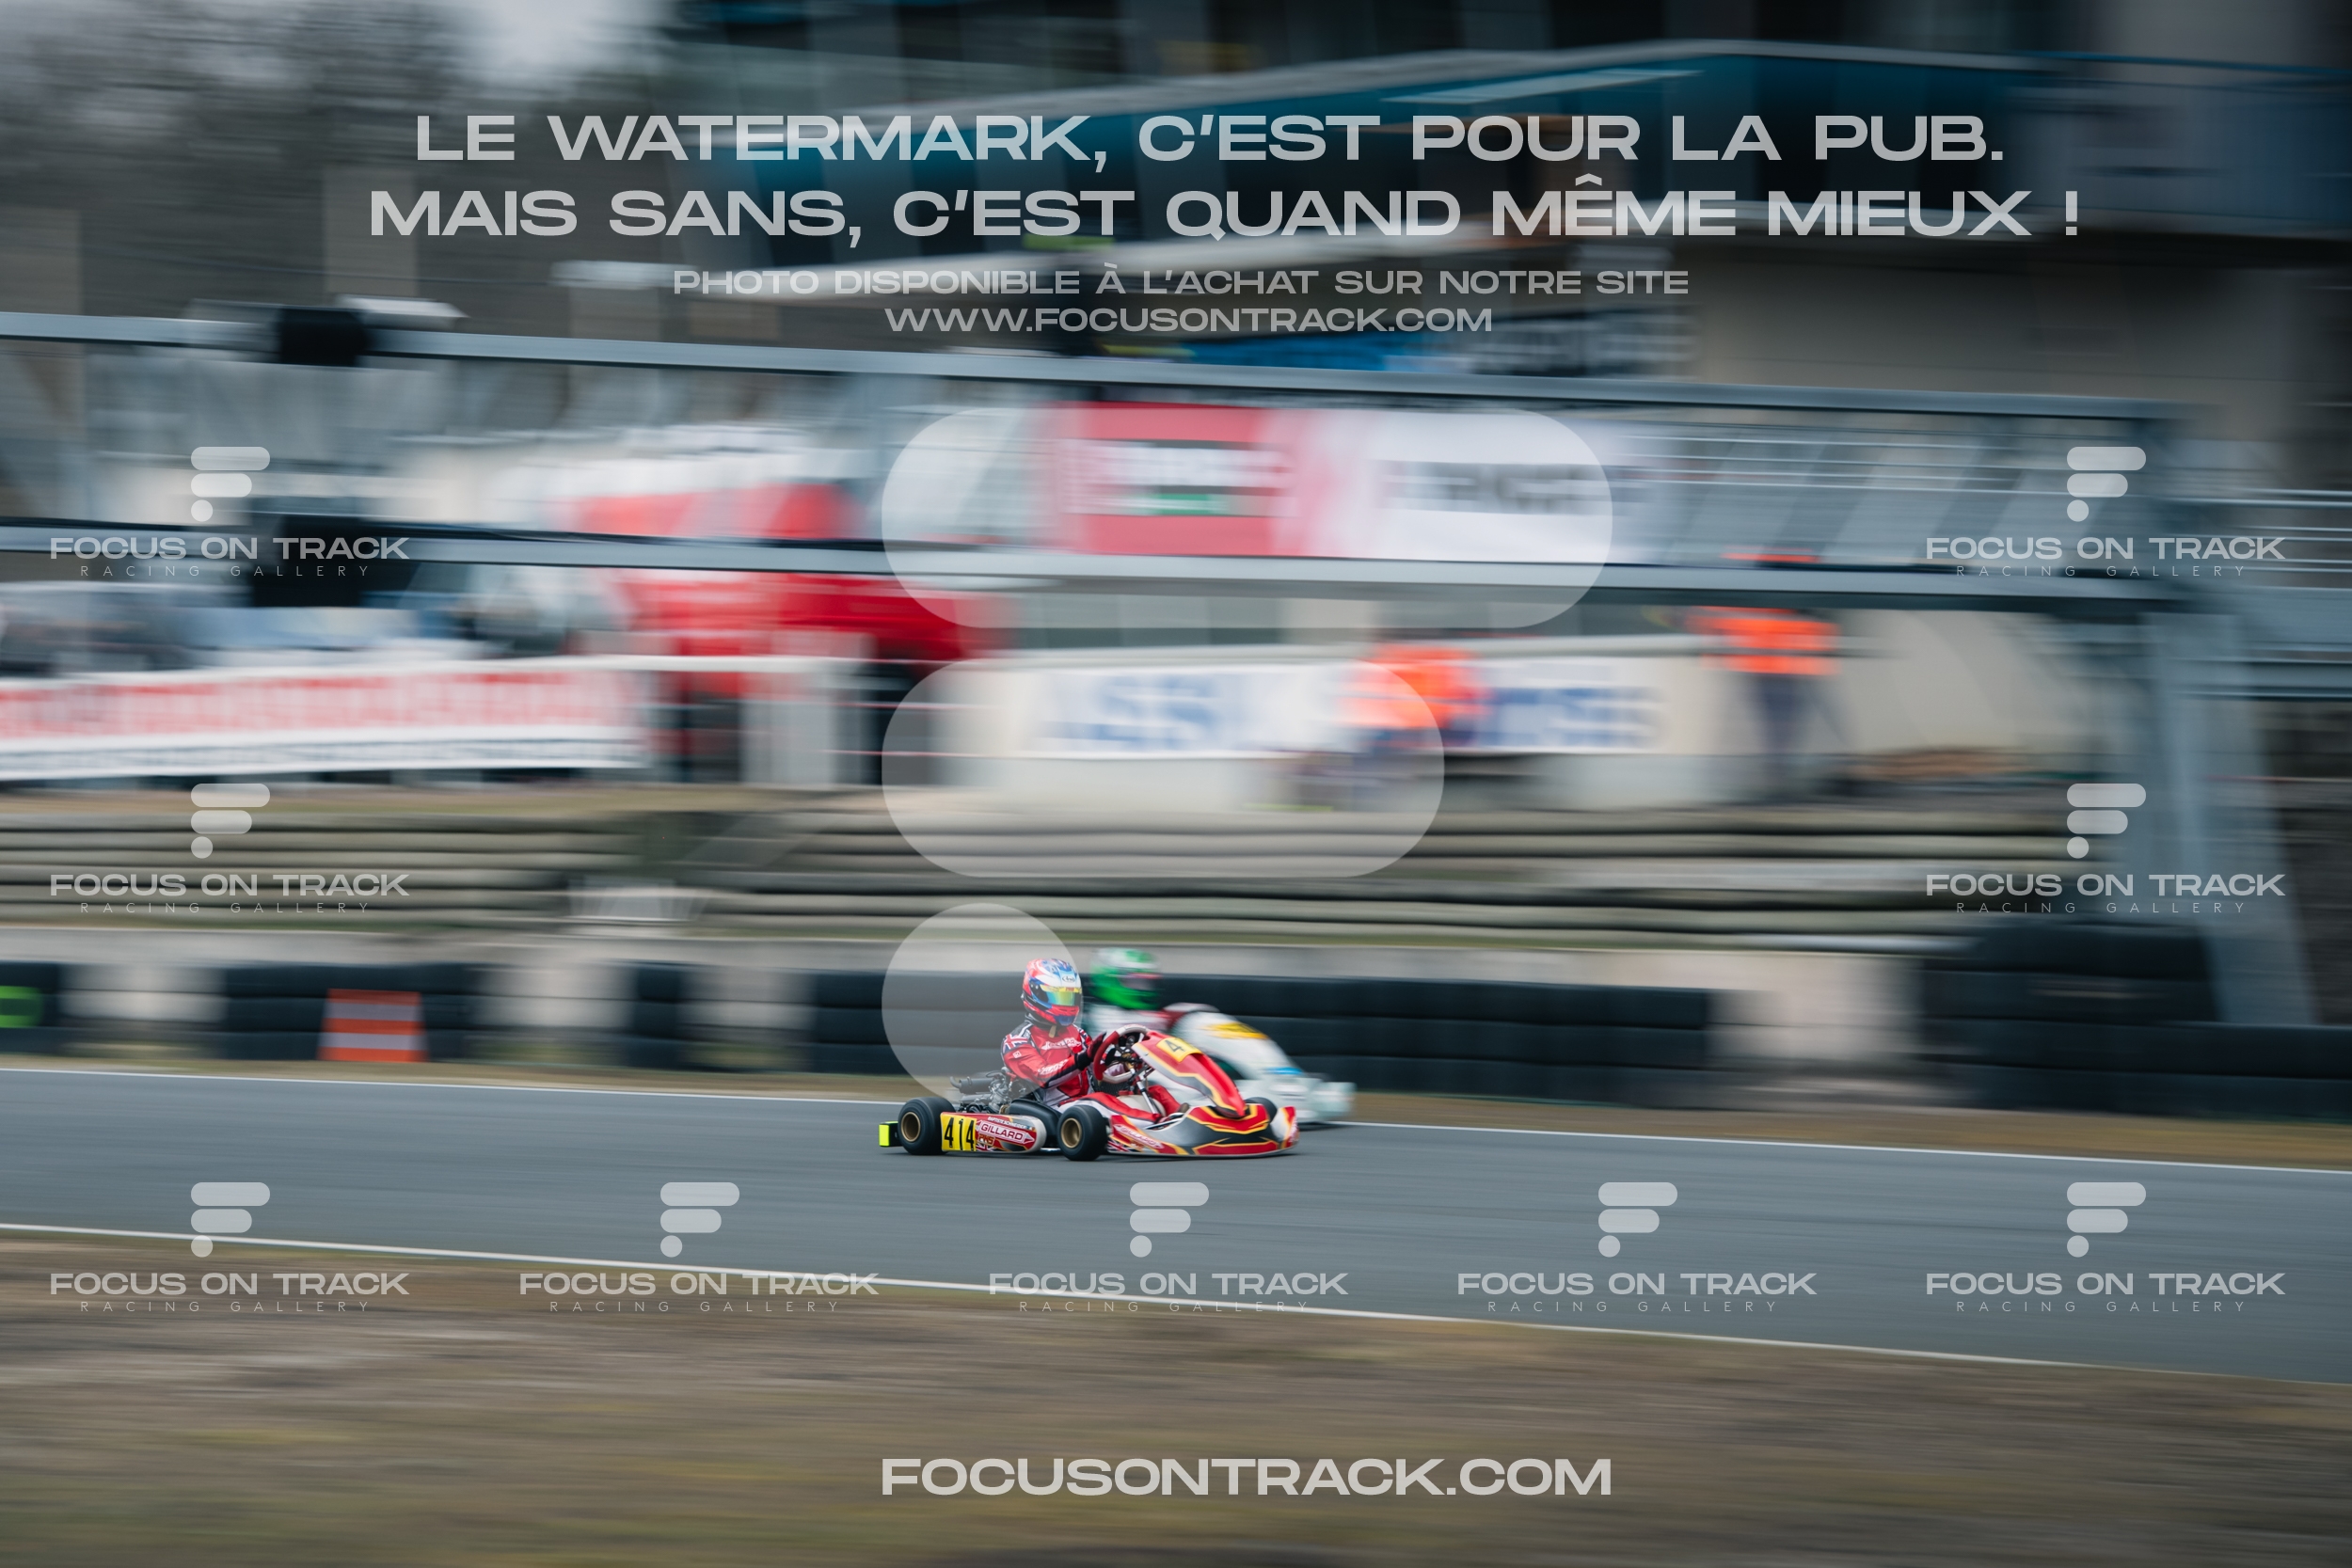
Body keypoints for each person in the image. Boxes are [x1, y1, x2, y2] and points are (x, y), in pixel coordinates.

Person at [1000, 957, 1166, 1108]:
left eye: (1070, 998)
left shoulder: (1078, 1034)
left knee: (1156, 1093)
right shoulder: (1017, 1041)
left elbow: (1102, 1073)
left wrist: (1128, 1061)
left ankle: (1176, 1121)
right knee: (1104, 1105)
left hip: (1088, 1104)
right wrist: (1083, 1058)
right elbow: (1042, 1077)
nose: (1067, 1004)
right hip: (1054, 1110)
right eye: (1060, 998)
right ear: (1037, 994)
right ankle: (1156, 1128)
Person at [1084, 947, 1168, 1034]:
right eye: (1135, 981)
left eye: (1146, 982)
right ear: (1109, 980)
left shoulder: (1160, 1017)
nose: (1143, 987)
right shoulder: (1096, 1017)